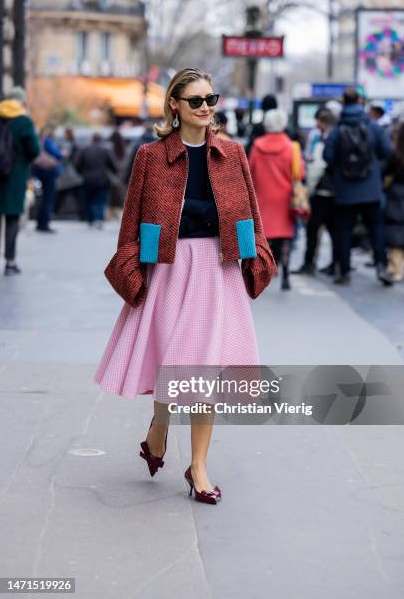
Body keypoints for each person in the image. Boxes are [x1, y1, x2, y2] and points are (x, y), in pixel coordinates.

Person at [93, 67, 277, 505]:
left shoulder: (233, 154)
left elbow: (251, 212)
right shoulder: (150, 157)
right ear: (174, 105)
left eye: (211, 98)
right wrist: (130, 268)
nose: (206, 107)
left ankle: (198, 467)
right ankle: (159, 427)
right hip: (169, 270)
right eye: (196, 100)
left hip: (218, 269)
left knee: (206, 369)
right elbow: (131, 222)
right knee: (169, 361)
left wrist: (260, 257)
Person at [323, 87, 393, 286]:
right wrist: (376, 170)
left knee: (344, 230)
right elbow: (387, 152)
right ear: (361, 102)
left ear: (343, 103)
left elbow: (327, 157)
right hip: (371, 189)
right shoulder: (374, 127)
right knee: (376, 229)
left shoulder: (337, 129)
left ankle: (344, 272)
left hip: (345, 191)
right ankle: (381, 266)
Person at [249, 108, 305, 291]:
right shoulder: (292, 148)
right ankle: (285, 273)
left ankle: (264, 271)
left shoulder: (258, 146)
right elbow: (300, 173)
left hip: (262, 197)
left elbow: (250, 172)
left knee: (264, 237)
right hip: (285, 199)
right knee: (285, 239)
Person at [0, 86, 40, 274]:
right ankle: (10, 261)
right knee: (12, 218)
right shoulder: (23, 121)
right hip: (14, 176)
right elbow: (34, 150)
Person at [296, 108, 337, 276]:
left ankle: (309, 263)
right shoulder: (338, 136)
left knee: (312, 229)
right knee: (335, 232)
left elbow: (317, 167)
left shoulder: (323, 139)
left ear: (323, 121)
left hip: (321, 191)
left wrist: (309, 189)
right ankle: (337, 265)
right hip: (336, 191)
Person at [75, 132, 117, 229]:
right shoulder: (105, 150)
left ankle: (91, 219)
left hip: (88, 179)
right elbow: (113, 165)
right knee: (101, 200)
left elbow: (77, 164)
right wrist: (113, 173)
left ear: (92, 139)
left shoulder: (84, 150)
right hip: (102, 179)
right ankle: (99, 219)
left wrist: (82, 173)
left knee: (89, 200)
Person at [382, 121, 404, 281]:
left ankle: (395, 269)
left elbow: (386, 176)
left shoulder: (396, 154)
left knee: (396, 232)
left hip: (397, 195)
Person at [32, 124, 64, 233]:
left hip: (40, 171)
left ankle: (40, 223)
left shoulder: (39, 139)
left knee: (44, 199)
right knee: (48, 199)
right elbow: (57, 154)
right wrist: (62, 153)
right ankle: (44, 224)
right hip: (48, 173)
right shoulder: (47, 140)